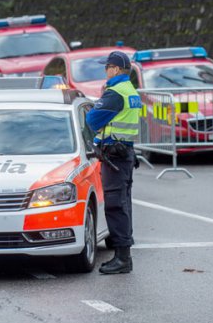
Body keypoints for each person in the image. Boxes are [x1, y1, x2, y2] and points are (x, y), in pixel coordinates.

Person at [86, 50, 141, 274]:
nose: (105, 71)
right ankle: (124, 249)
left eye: (106, 67)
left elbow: (92, 119)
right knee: (123, 203)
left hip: (115, 155)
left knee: (115, 205)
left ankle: (122, 258)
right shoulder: (130, 90)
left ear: (116, 69)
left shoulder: (115, 93)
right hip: (125, 152)